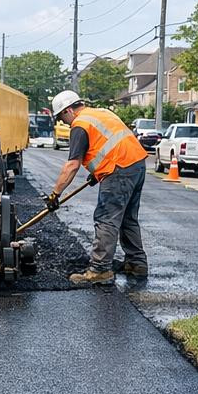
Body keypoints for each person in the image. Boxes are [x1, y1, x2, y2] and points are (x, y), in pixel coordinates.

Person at [47, 89, 150, 287]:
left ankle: (100, 270)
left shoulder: (80, 125)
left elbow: (72, 165)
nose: (63, 122)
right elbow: (109, 143)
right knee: (128, 218)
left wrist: (55, 194)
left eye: (61, 117)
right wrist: (97, 172)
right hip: (136, 164)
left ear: (68, 110)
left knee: (106, 218)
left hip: (118, 169)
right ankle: (137, 264)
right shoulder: (101, 112)